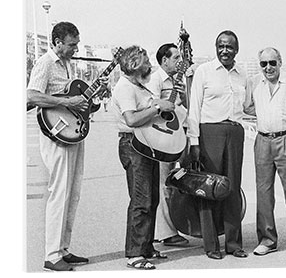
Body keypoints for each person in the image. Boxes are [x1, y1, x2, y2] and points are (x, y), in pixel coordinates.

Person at [27, 21, 102, 271]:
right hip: (55, 135)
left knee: (73, 192)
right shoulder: (45, 63)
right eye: (72, 44)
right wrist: (70, 102)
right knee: (59, 193)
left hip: (72, 133)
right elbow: (32, 96)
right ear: (57, 42)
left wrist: (87, 102)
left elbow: (70, 98)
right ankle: (51, 255)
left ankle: (63, 249)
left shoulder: (68, 64)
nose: (75, 48)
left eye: (77, 44)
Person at [244, 47, 286, 257]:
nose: (268, 68)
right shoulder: (255, 82)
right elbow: (247, 107)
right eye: (263, 64)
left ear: (280, 62)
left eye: (272, 63)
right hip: (263, 140)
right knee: (263, 193)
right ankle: (267, 240)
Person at [111, 45, 175, 270]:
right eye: (146, 61)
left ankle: (146, 246)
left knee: (151, 198)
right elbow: (131, 119)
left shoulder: (138, 85)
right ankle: (135, 253)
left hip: (146, 146)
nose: (150, 64)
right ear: (134, 65)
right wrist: (158, 108)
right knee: (141, 200)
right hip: (133, 146)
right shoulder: (126, 87)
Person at [187, 30, 248, 260]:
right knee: (210, 188)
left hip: (235, 132)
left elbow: (249, 105)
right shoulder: (204, 71)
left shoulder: (242, 74)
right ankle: (211, 245)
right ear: (216, 48)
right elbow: (194, 108)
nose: (225, 50)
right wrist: (194, 141)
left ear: (236, 49)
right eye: (221, 46)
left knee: (232, 188)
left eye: (230, 47)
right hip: (209, 132)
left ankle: (234, 244)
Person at [146, 43, 189, 247]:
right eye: (176, 58)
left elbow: (183, 107)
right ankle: (166, 232)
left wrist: (183, 95)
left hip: (177, 135)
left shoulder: (174, 80)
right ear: (164, 60)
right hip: (162, 138)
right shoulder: (155, 79)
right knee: (163, 183)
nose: (179, 61)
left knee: (174, 180)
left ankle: (170, 227)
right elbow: (151, 105)